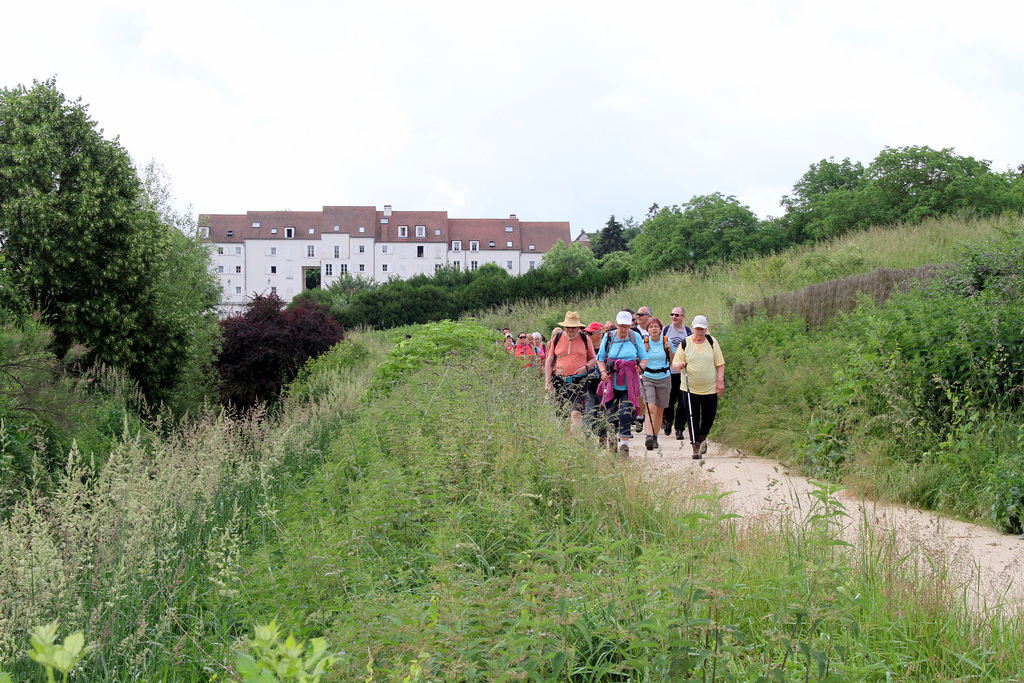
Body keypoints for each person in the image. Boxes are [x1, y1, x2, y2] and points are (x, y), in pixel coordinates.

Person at [671, 315, 725, 459]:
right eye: (697, 329)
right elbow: (675, 365)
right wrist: (680, 365)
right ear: (693, 328)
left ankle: (702, 437)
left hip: (710, 388)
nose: (699, 332)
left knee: (709, 416)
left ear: (706, 329)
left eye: (702, 329)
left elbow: (720, 364)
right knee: (692, 417)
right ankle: (695, 445)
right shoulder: (685, 343)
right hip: (689, 388)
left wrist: (720, 381)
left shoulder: (712, 342)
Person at [596, 311, 649, 457]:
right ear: (616, 324)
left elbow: (644, 357)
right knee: (611, 413)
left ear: (631, 325)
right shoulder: (609, 337)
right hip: (612, 379)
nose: (624, 329)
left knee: (625, 410)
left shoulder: (635, 336)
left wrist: (642, 366)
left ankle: (624, 444)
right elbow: (600, 358)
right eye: (621, 326)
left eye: (626, 326)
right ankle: (613, 441)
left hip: (629, 379)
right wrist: (602, 372)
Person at [544, 312, 597, 434]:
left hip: (579, 381)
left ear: (578, 328)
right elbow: (550, 360)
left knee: (576, 412)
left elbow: (593, 359)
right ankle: (565, 439)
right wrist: (547, 381)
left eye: (573, 327)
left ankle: (575, 440)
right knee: (562, 413)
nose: (570, 330)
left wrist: (585, 367)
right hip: (559, 380)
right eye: (568, 327)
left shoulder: (585, 339)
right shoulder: (556, 338)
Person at [640, 317, 673, 451]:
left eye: (656, 326)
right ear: (647, 330)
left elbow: (672, 362)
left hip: (664, 377)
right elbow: (640, 360)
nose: (654, 329)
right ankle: (648, 435)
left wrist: (670, 350)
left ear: (660, 329)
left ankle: (655, 436)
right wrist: (644, 350)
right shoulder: (644, 343)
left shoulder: (666, 341)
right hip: (648, 377)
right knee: (650, 407)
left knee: (660, 409)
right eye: (651, 327)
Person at [663, 306, 693, 438]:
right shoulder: (666, 330)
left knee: (683, 401)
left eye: (677, 315)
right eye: (672, 314)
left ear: (683, 317)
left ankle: (679, 428)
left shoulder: (688, 332)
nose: (674, 317)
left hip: (682, 372)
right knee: (669, 400)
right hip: (668, 372)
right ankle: (668, 421)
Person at [582, 322, 607, 441]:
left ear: (599, 334)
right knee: (588, 410)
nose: (587, 335)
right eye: (587, 332)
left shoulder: (607, 347)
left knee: (601, 411)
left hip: (601, 384)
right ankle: (586, 438)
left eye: (590, 333)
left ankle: (602, 436)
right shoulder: (585, 347)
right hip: (587, 383)